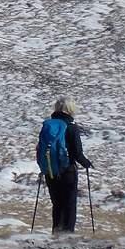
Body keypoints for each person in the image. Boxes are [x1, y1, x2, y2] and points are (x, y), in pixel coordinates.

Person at [45, 97, 92, 233]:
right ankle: (67, 234)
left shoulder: (48, 127)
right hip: (67, 171)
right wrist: (87, 163)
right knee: (69, 204)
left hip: (50, 171)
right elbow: (77, 153)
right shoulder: (71, 127)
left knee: (57, 204)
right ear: (70, 109)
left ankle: (56, 231)